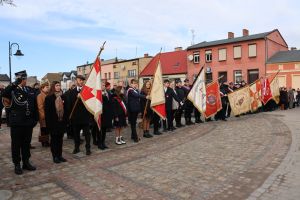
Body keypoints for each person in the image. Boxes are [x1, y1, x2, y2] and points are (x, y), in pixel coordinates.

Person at [2, 70, 38, 175]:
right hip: (17, 122)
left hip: (28, 122)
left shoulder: (29, 90)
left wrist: (35, 120)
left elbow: (34, 105)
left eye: (24, 78)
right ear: (18, 79)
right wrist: (14, 84)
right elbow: (4, 94)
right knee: (16, 144)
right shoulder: (12, 90)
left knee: (26, 144)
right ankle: (17, 164)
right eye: (22, 79)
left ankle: (26, 162)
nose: (24, 80)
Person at [68, 75, 92, 155]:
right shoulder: (72, 92)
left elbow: (90, 102)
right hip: (76, 117)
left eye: (82, 80)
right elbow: (70, 104)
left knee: (87, 134)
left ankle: (88, 148)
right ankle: (76, 147)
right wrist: (76, 97)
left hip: (85, 116)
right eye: (79, 80)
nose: (81, 82)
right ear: (76, 81)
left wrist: (82, 97)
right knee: (76, 134)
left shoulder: (87, 91)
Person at [45, 81, 67, 163]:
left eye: (59, 85)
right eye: (56, 85)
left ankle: (60, 155)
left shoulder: (63, 96)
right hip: (53, 123)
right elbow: (47, 113)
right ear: (53, 87)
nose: (58, 87)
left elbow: (67, 109)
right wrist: (48, 125)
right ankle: (55, 156)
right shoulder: (49, 98)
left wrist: (66, 121)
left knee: (60, 140)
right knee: (54, 140)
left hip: (61, 122)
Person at [91, 82, 113, 150]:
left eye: (104, 85)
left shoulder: (108, 93)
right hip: (100, 114)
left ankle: (103, 142)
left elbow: (110, 102)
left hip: (106, 114)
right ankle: (99, 143)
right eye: (102, 85)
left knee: (104, 130)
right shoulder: (97, 94)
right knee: (99, 130)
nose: (103, 86)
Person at [37, 81, 50, 147]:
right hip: (43, 116)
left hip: (48, 115)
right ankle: (44, 142)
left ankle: (46, 141)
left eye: (48, 87)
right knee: (43, 129)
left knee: (47, 129)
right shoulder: (40, 96)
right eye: (46, 87)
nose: (48, 88)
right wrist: (43, 116)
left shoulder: (48, 95)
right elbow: (40, 107)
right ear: (42, 88)